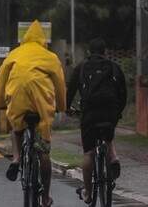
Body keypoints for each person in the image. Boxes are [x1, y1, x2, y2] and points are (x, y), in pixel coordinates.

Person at [0, 20, 66, 207]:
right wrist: (62, 106)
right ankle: (45, 197)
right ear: (43, 40)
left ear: (24, 39)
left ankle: (17, 158)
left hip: (18, 98)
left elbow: (1, 78)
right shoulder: (50, 57)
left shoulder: (14, 54)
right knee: (43, 150)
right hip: (41, 103)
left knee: (16, 127)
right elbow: (59, 84)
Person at [66, 38, 127, 204]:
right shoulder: (114, 67)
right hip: (110, 112)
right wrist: (118, 112)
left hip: (90, 113)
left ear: (88, 53)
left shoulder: (81, 67)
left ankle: (88, 192)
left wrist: (67, 109)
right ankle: (113, 158)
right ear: (105, 52)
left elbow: (70, 91)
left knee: (89, 153)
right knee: (107, 134)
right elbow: (123, 93)